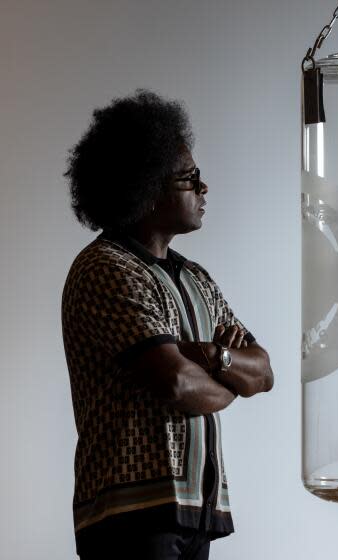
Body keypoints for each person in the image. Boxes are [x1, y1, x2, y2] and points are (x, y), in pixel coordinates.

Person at [61, 90, 274, 560]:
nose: (204, 188)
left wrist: (214, 358)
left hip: (196, 510)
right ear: (148, 188)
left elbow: (263, 373)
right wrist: (226, 381)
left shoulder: (196, 278)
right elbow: (176, 382)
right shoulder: (107, 268)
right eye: (189, 178)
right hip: (130, 514)